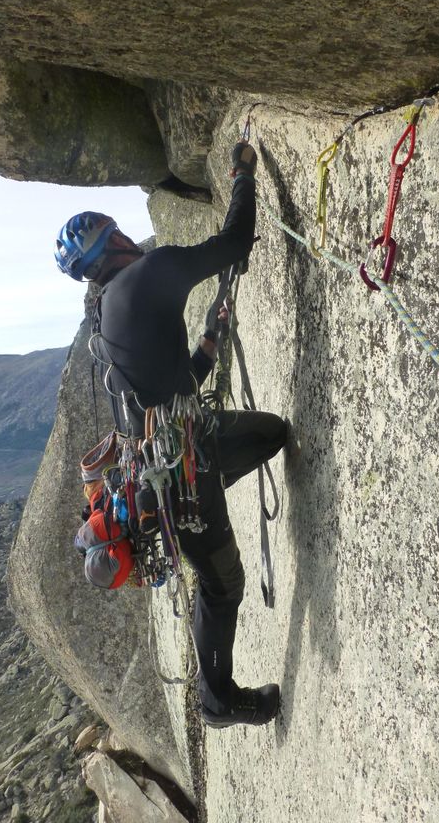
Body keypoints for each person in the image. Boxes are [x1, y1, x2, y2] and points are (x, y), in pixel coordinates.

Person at [55, 142, 287, 728]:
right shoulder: (148, 274)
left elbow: (158, 389)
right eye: (119, 232)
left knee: (271, 435)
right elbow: (232, 243)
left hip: (171, 455)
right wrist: (242, 177)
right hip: (180, 475)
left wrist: (207, 348)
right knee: (222, 584)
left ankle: (204, 509)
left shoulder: (105, 316)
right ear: (113, 242)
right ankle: (218, 701)